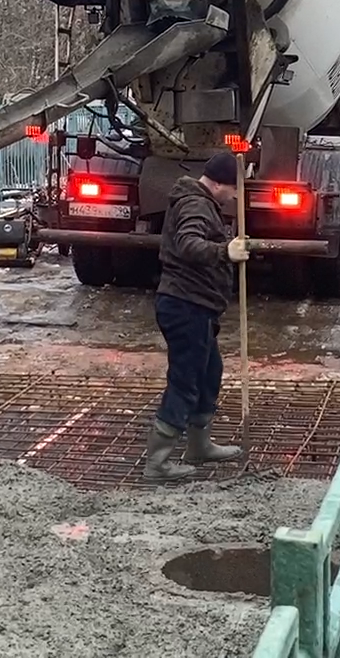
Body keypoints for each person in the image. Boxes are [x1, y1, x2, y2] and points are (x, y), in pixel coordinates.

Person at [142, 149, 250, 481]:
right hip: (185, 305)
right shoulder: (195, 204)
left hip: (195, 305)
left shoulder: (200, 200)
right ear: (218, 183)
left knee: (208, 372)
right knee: (185, 381)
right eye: (233, 188)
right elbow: (189, 243)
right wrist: (224, 251)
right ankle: (157, 464)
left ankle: (198, 444)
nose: (234, 195)